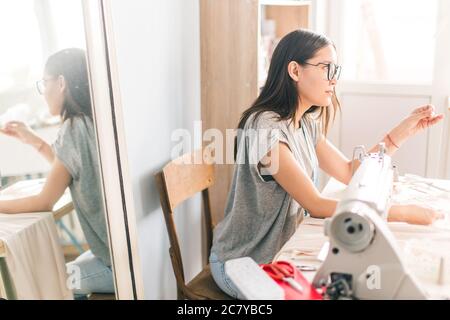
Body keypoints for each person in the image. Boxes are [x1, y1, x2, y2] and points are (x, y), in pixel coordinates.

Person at [209, 29, 445, 298]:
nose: (333, 80)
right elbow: (316, 205)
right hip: (244, 262)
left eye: (336, 70)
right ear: (295, 71)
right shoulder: (265, 128)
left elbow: (348, 171)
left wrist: (403, 132)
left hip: (280, 255)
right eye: (326, 68)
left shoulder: (305, 123)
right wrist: (401, 213)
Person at [0, 48, 114, 298]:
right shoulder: (95, 120)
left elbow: (44, 202)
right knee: (66, 272)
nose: (43, 93)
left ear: (61, 82)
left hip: (115, 266)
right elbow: (73, 167)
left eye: (44, 83)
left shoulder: (73, 128)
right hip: (124, 255)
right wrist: (35, 141)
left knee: (51, 280)